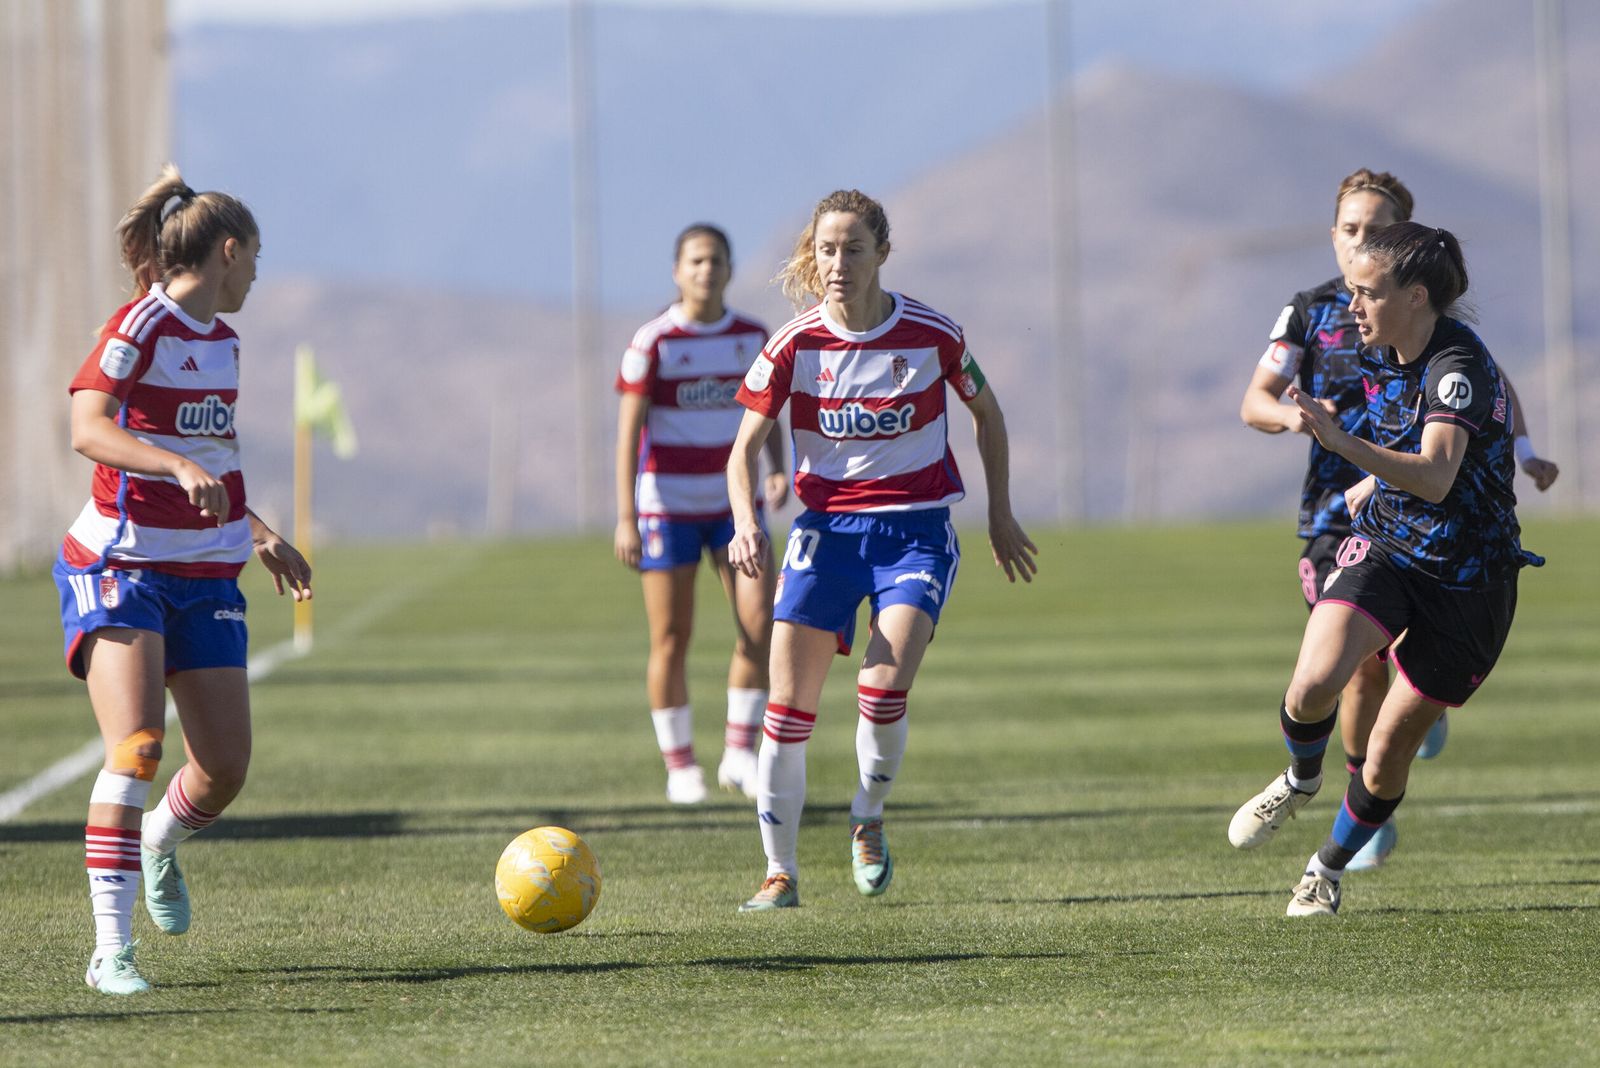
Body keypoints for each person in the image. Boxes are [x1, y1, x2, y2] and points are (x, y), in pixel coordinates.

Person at [1236, 169, 1559, 869]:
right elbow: (1257, 399)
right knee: (1331, 675)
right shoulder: (1333, 319)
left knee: (1388, 741)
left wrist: (1523, 449)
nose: (1359, 247)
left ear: (1411, 281)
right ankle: (1307, 776)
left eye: (1375, 233)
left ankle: (1333, 856)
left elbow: (1446, 459)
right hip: (1370, 528)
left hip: (1467, 568)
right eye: (1351, 230)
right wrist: (1327, 445)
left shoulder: (1449, 357)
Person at [725, 189, 1037, 911]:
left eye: (853, 249)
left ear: (882, 253)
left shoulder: (932, 334)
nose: (838, 263)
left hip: (914, 533)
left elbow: (987, 413)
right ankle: (780, 873)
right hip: (825, 535)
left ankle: (867, 815)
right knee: (788, 709)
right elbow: (741, 451)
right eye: (827, 250)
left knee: (883, 689)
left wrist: (1000, 512)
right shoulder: (794, 344)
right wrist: (745, 521)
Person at [56, 165, 311, 994]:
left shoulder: (223, 344)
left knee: (224, 768)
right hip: (122, 565)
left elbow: (213, 460)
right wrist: (168, 464)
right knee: (137, 746)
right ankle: (111, 950)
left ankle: (159, 841)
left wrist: (262, 533)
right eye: (255, 260)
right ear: (228, 251)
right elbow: (87, 428)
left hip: (205, 574)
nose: (257, 277)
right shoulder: (139, 324)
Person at [614, 224, 787, 805]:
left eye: (715, 260)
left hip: (737, 508)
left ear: (730, 269)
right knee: (671, 636)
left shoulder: (752, 337)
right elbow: (628, 434)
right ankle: (680, 766)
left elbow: (769, 409)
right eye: (695, 261)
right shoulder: (654, 341)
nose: (706, 270)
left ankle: (740, 754)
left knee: (759, 624)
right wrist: (626, 516)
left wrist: (776, 468)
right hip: (669, 508)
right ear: (677, 271)